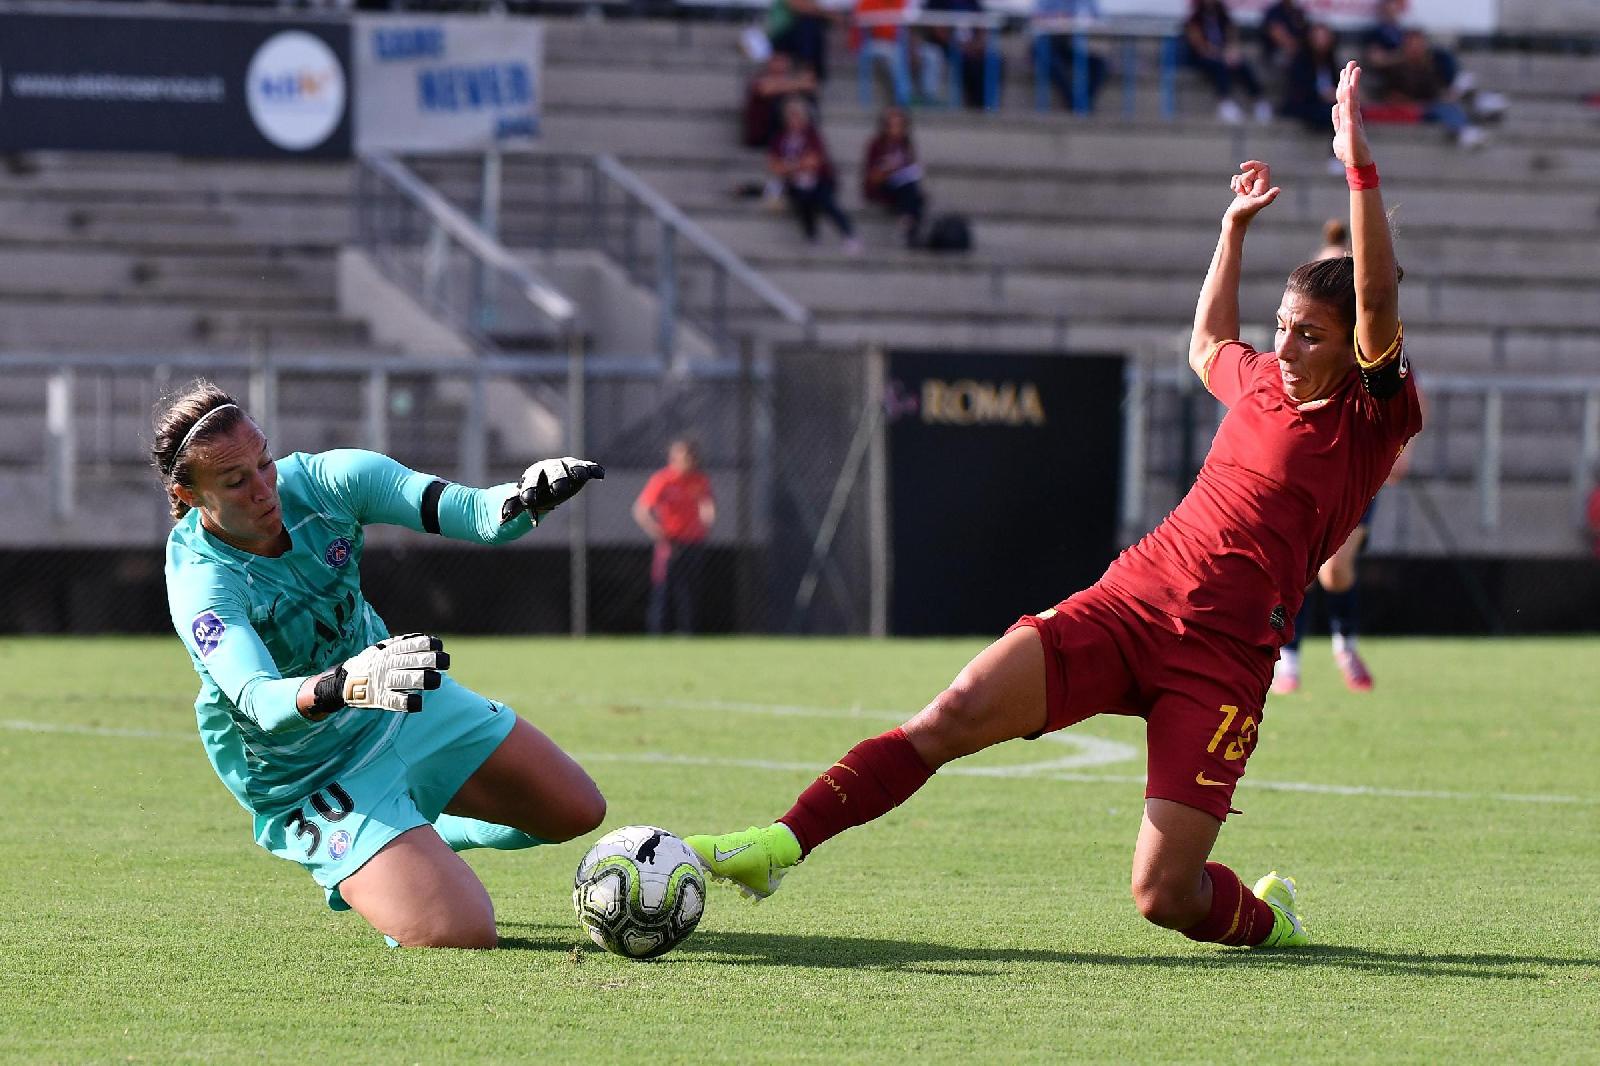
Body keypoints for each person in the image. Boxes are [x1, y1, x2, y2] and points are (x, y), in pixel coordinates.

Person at [687, 63, 1421, 952]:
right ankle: (779, 842)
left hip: (1224, 660)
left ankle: (1272, 919)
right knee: (952, 712)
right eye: (1284, 324)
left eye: (1310, 333)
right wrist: (1231, 232)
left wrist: (1359, 169)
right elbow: (1205, 344)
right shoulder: (1263, 379)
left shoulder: (1372, 416)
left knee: (1164, 896)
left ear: (1355, 348)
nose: (1288, 345)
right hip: (1132, 602)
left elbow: (1377, 298)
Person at [156, 382, 607, 949]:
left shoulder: (330, 481)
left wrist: (526, 499)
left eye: (264, 462)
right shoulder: (202, 583)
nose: (264, 489)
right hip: (307, 774)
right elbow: (259, 700)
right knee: (463, 933)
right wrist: (347, 683)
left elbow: (475, 511)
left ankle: (426, 826)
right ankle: (381, 853)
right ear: (189, 494)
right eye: (235, 481)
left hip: (397, 703)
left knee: (577, 810)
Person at [633, 439, 717, 635]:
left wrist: (707, 522)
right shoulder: (663, 480)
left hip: (693, 542)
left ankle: (688, 633)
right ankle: (657, 633)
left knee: (689, 591)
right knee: (663, 589)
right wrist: (658, 532)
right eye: (682, 455)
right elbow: (641, 510)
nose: (687, 459)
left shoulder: (699, 480)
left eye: (690, 455)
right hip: (670, 543)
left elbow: (707, 505)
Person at [770, 95, 862, 252]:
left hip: (817, 180)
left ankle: (849, 235)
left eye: (797, 115)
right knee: (802, 199)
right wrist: (798, 166)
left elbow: (814, 162)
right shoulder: (780, 138)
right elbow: (775, 166)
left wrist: (790, 166)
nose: (794, 119)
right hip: (795, 183)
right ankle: (811, 236)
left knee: (826, 201)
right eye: (791, 115)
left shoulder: (812, 135)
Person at [1182, 0, 1271, 124]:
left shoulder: (1224, 17)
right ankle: (1224, 102)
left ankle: (1258, 99)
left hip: (1222, 54)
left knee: (1241, 64)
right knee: (1220, 66)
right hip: (1202, 56)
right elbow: (1199, 46)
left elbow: (1232, 39)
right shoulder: (1194, 19)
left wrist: (1232, 52)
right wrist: (1220, 54)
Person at [862, 107, 927, 247]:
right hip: (882, 186)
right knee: (911, 192)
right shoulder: (876, 145)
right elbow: (871, 177)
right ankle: (909, 227)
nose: (896, 129)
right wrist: (888, 170)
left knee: (913, 191)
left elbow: (912, 168)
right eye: (893, 125)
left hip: (902, 188)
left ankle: (909, 226)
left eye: (900, 126)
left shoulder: (906, 145)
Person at [742, 53, 818, 151]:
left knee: (804, 101)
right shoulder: (759, 79)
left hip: (784, 133)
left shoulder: (790, 82)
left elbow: (811, 86)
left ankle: (801, 140)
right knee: (779, 102)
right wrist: (800, 83)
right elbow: (765, 89)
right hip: (764, 134)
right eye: (777, 60)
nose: (780, 64)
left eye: (783, 60)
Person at [1279, 22, 1341, 138]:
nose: (1322, 42)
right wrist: (1322, 94)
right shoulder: (1301, 60)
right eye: (1318, 38)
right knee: (1331, 114)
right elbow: (1300, 88)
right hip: (1306, 104)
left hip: (1327, 103)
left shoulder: (1330, 61)